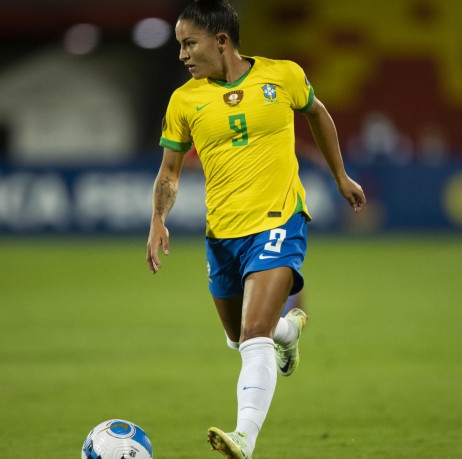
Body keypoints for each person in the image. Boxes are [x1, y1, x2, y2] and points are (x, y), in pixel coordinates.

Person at [145, 1, 365, 457]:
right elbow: (169, 171)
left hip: (279, 220)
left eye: (189, 44)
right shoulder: (184, 100)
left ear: (221, 41)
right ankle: (288, 332)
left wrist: (340, 176)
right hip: (223, 234)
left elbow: (317, 112)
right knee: (237, 337)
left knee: (252, 336)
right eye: (179, 45)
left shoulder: (282, 75)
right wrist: (158, 220)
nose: (182, 55)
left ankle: (244, 437)